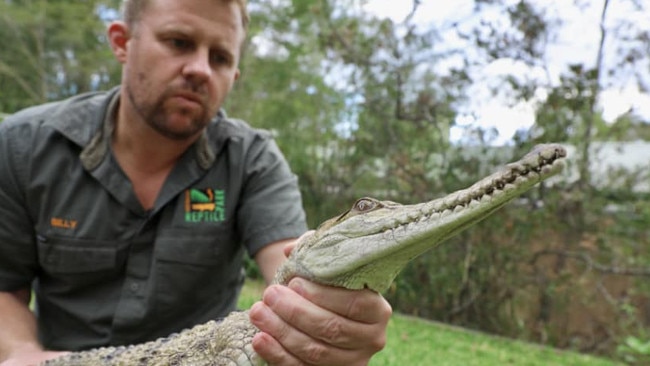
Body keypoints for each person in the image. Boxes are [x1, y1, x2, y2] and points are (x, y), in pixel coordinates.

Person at [0, 0, 392, 365]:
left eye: (220, 57)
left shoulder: (254, 160)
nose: (200, 69)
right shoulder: (22, 145)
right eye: (178, 42)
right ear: (122, 42)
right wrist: (24, 353)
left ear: (233, 76)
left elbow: (294, 271)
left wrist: (327, 317)